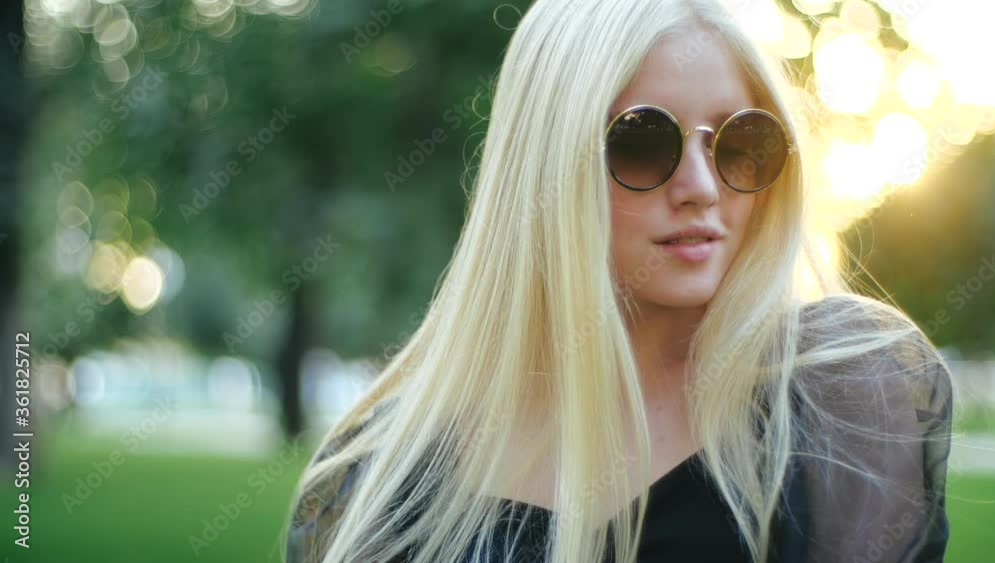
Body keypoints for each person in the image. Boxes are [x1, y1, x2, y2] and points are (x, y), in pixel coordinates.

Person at [284, 0, 954, 561]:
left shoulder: (842, 400)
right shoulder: (373, 475)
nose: (700, 187)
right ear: (544, 167)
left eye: (739, 142)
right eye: (642, 142)